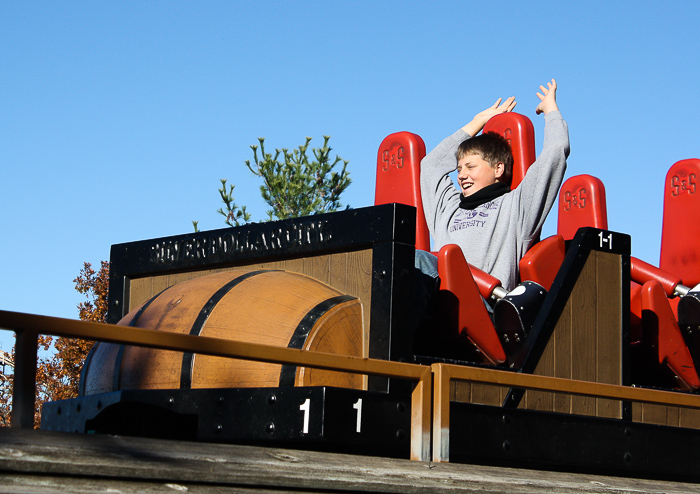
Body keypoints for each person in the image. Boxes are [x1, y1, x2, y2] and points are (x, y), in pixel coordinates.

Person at [417, 79, 569, 302]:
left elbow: (555, 153)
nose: (461, 175)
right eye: (459, 168)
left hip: (484, 305)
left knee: (418, 260)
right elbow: (431, 166)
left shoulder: (516, 207)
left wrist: (551, 111)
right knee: (403, 263)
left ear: (498, 169)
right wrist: (477, 122)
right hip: (438, 303)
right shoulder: (447, 209)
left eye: (470, 167)